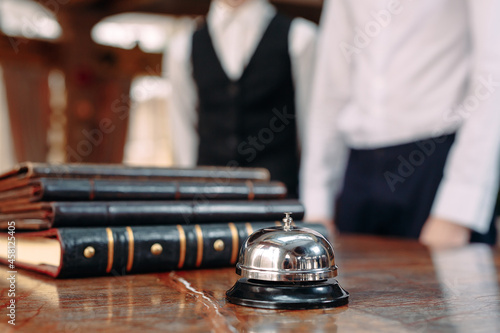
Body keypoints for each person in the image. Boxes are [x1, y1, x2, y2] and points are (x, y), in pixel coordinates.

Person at [300, 0, 500, 247]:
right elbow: (331, 79)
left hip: (435, 164)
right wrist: (317, 203)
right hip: (357, 172)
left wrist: (458, 209)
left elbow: (492, 71)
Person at [166, 0, 317, 197]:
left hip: (280, 203)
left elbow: (313, 130)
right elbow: (183, 137)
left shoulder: (301, 38)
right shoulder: (182, 47)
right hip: (209, 204)